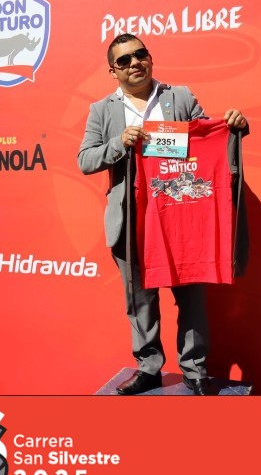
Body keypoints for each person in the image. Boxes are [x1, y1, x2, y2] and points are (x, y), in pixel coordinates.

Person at [77, 33, 248, 396]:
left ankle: (195, 371)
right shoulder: (102, 110)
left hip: (182, 216)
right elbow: (85, 160)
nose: (134, 63)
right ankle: (149, 369)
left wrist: (235, 127)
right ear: (113, 71)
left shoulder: (180, 97)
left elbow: (208, 139)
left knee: (192, 300)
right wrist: (118, 143)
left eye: (140, 54)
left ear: (150, 58)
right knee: (140, 302)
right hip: (132, 222)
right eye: (124, 60)